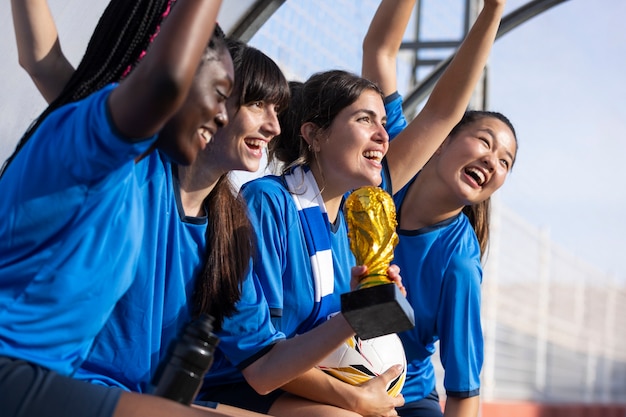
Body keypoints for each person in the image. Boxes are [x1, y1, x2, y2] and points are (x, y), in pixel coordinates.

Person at [8, 2, 404, 413]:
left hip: (131, 395)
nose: (273, 125)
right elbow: (46, 63)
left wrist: (359, 313)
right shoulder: (134, 166)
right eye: (251, 103)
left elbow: (264, 365)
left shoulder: (229, 229)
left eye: (278, 111)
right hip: (44, 382)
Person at [0, 0, 244, 415]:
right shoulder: (89, 138)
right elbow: (162, 81)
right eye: (221, 94)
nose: (224, 116)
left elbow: (42, 61)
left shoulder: (126, 166)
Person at [200, 70, 407, 417]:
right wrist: (354, 399)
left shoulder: (352, 228)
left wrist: (366, 305)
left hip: (296, 383)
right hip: (234, 382)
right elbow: (260, 356)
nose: (383, 136)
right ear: (314, 134)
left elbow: (333, 338)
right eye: (364, 119)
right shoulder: (268, 202)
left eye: (383, 123)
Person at [362, 1, 513, 416]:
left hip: (403, 400)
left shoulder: (459, 263)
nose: (493, 161)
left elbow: (464, 391)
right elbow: (379, 50)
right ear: (443, 139)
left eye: (505, 162)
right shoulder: (392, 158)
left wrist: (492, 11)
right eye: (486, 142)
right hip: (324, 372)